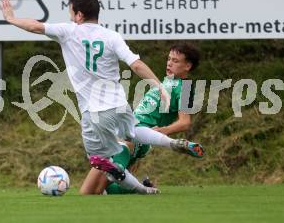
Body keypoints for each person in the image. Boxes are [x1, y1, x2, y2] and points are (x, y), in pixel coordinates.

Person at [1, 0, 172, 194]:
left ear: (79, 15)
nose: (70, 17)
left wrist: (11, 18)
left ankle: (140, 188)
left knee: (100, 162)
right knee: (131, 132)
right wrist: (159, 86)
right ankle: (169, 146)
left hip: (94, 112)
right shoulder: (111, 36)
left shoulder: (69, 31)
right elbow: (136, 65)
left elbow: (35, 26)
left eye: (71, 13)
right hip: (119, 105)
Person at [79, 43, 204, 195]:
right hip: (130, 131)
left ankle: (136, 182)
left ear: (188, 66)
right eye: (169, 59)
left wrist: (162, 131)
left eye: (175, 61)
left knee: (89, 192)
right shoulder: (166, 82)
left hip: (137, 135)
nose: (169, 63)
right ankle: (142, 187)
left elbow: (185, 122)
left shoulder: (185, 88)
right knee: (98, 190)